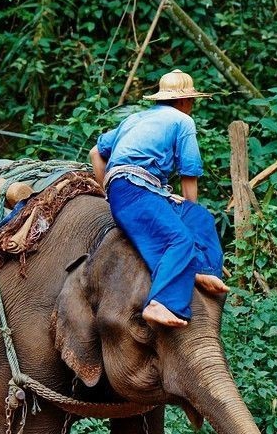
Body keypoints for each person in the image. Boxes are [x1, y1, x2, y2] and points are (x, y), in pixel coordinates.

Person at [89, 69, 228, 328]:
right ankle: (160, 302)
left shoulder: (135, 118)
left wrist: (106, 192)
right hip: (134, 189)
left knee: (201, 217)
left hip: (138, 190)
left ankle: (202, 270)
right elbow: (189, 175)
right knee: (180, 239)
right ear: (187, 101)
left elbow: (96, 152)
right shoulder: (183, 121)